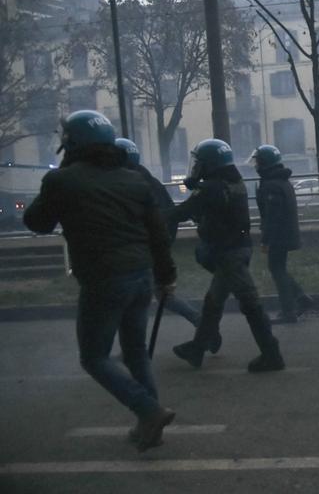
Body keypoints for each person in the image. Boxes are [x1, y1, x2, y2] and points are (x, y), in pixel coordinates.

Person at [23, 111, 177, 451]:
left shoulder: (63, 181)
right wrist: (166, 276)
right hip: (141, 275)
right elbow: (158, 234)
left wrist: (62, 173)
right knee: (136, 352)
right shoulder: (133, 179)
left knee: (94, 357)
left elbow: (37, 222)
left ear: (71, 143)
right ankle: (150, 426)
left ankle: (148, 411)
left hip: (103, 278)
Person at [170, 139, 285, 373]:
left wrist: (153, 215)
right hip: (236, 248)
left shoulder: (212, 187)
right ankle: (198, 347)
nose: (196, 166)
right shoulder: (232, 181)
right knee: (213, 302)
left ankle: (272, 355)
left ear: (209, 164)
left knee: (250, 304)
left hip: (228, 253)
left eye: (199, 162)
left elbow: (183, 212)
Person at [115, 137, 202, 329]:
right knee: (162, 297)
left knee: (137, 301)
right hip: (151, 246)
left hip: (143, 248)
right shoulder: (147, 180)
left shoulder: (131, 184)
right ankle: (202, 325)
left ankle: (134, 352)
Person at [250, 144, 313, 324]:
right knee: (279, 269)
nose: (255, 165)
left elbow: (272, 216)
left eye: (257, 161)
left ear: (264, 163)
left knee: (277, 271)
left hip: (278, 236)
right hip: (285, 233)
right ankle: (301, 299)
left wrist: (266, 239)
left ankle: (289, 311)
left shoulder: (270, 184)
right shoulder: (279, 180)